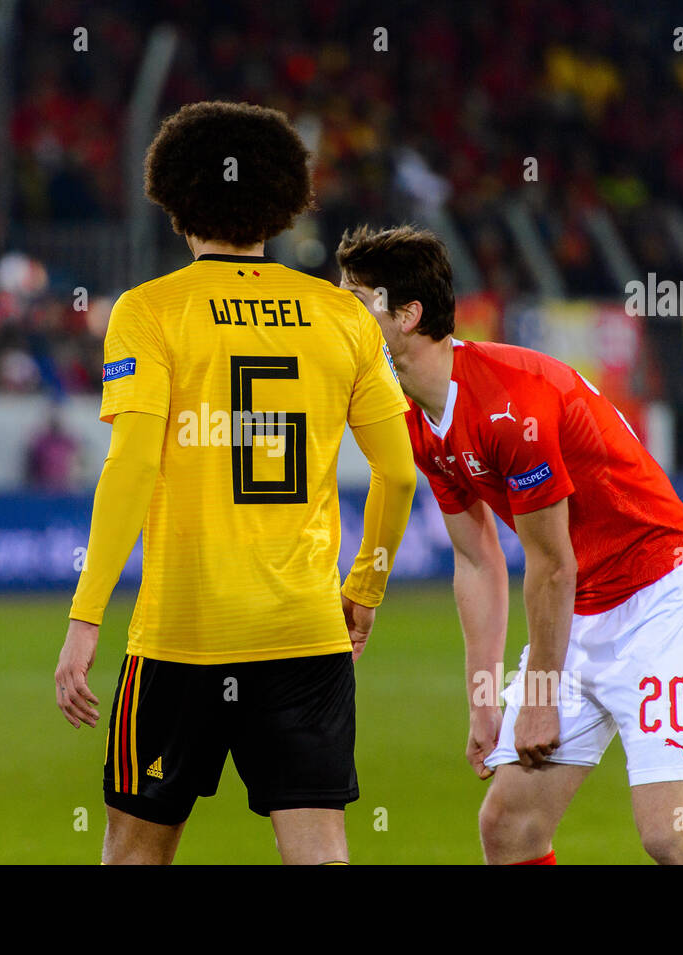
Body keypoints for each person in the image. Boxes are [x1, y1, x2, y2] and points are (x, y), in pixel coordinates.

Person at [54, 103, 417, 865]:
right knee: (321, 855)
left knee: (134, 855)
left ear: (177, 202)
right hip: (304, 633)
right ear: (282, 205)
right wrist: (367, 587)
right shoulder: (342, 316)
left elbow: (132, 465)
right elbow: (398, 470)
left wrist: (86, 614)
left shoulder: (150, 312)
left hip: (182, 636)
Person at [336, 225, 683, 865]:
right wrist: (485, 700)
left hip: (660, 598)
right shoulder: (414, 418)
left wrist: (539, 701)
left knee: (671, 833)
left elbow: (549, 566)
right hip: (579, 606)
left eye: (356, 301)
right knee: (509, 825)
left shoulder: (509, 405)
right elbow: (477, 559)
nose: (340, 314)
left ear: (407, 316)